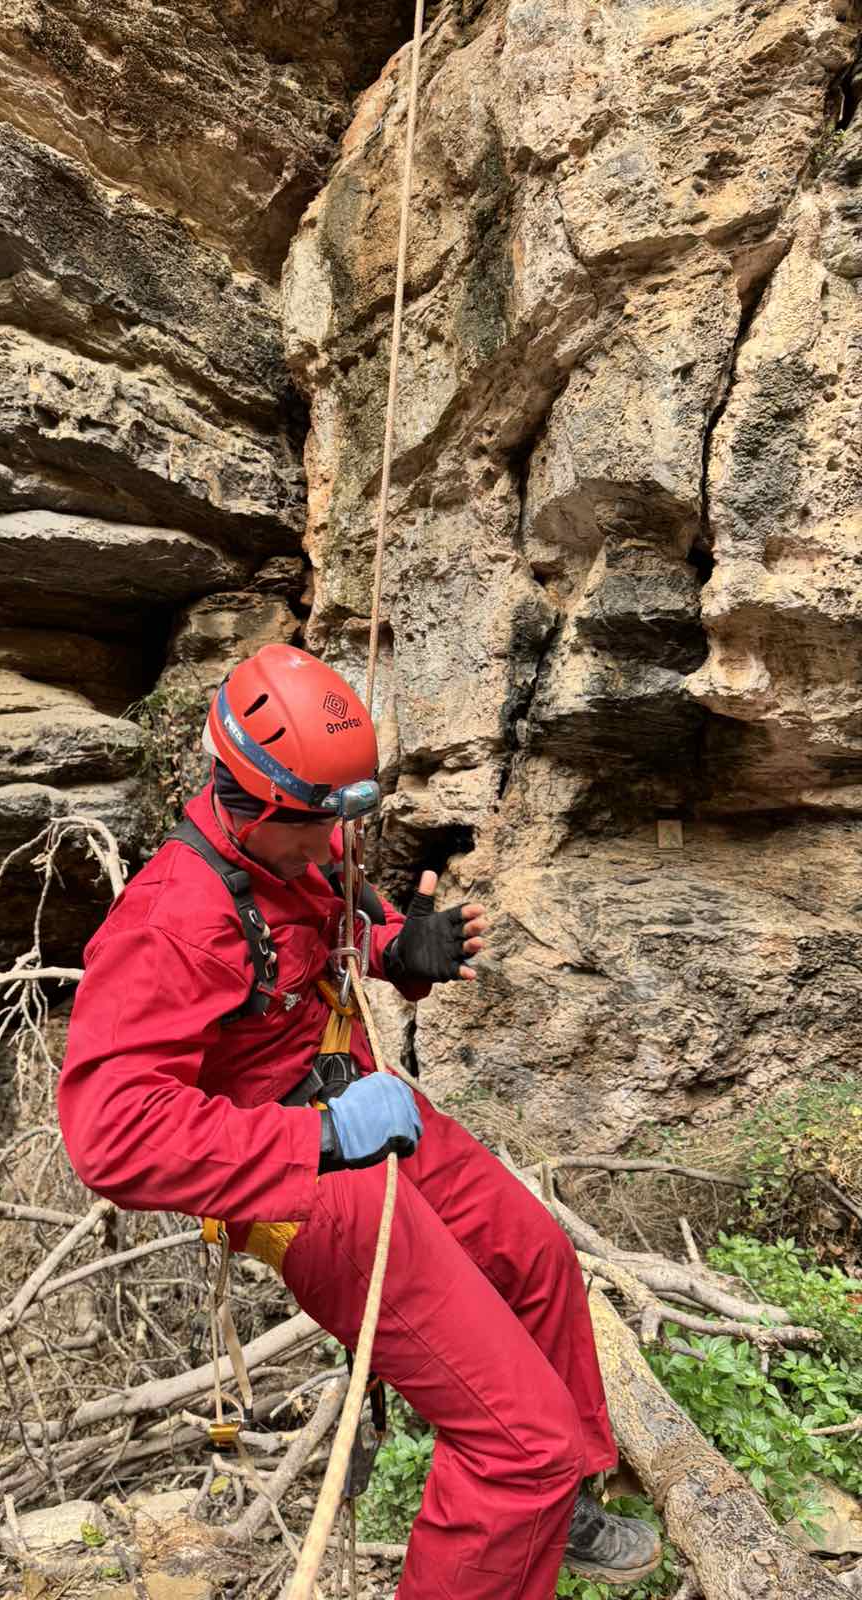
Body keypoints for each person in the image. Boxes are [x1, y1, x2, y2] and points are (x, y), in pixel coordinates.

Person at [59, 644, 660, 1599]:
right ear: (248, 805)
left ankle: (561, 1500)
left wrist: (399, 951)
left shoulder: (300, 840)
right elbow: (113, 1135)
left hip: (365, 1108)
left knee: (538, 1259)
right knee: (520, 1448)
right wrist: (323, 1138)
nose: (329, 849)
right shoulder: (170, 923)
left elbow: (328, 934)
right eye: (311, 831)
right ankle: (533, 1479)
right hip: (298, 1173)